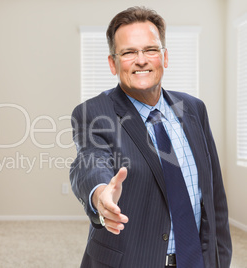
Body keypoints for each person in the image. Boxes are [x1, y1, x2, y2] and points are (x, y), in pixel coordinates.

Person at [70, 6, 232, 268]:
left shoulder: (193, 108)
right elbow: (90, 161)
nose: (141, 60)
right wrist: (100, 196)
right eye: (129, 52)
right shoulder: (93, 113)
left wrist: (220, 259)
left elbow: (214, 196)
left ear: (164, 57)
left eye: (150, 50)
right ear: (113, 63)